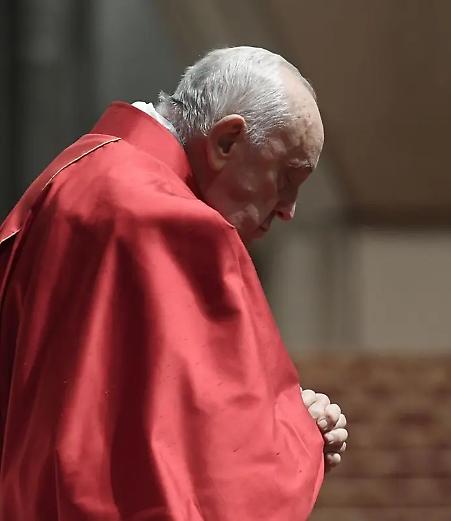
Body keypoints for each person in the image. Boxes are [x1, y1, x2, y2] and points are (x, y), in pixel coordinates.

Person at [0, 46, 347, 520]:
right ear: (227, 141)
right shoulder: (174, 224)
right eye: (287, 177)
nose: (288, 209)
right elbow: (220, 474)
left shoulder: (69, 175)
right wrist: (300, 435)